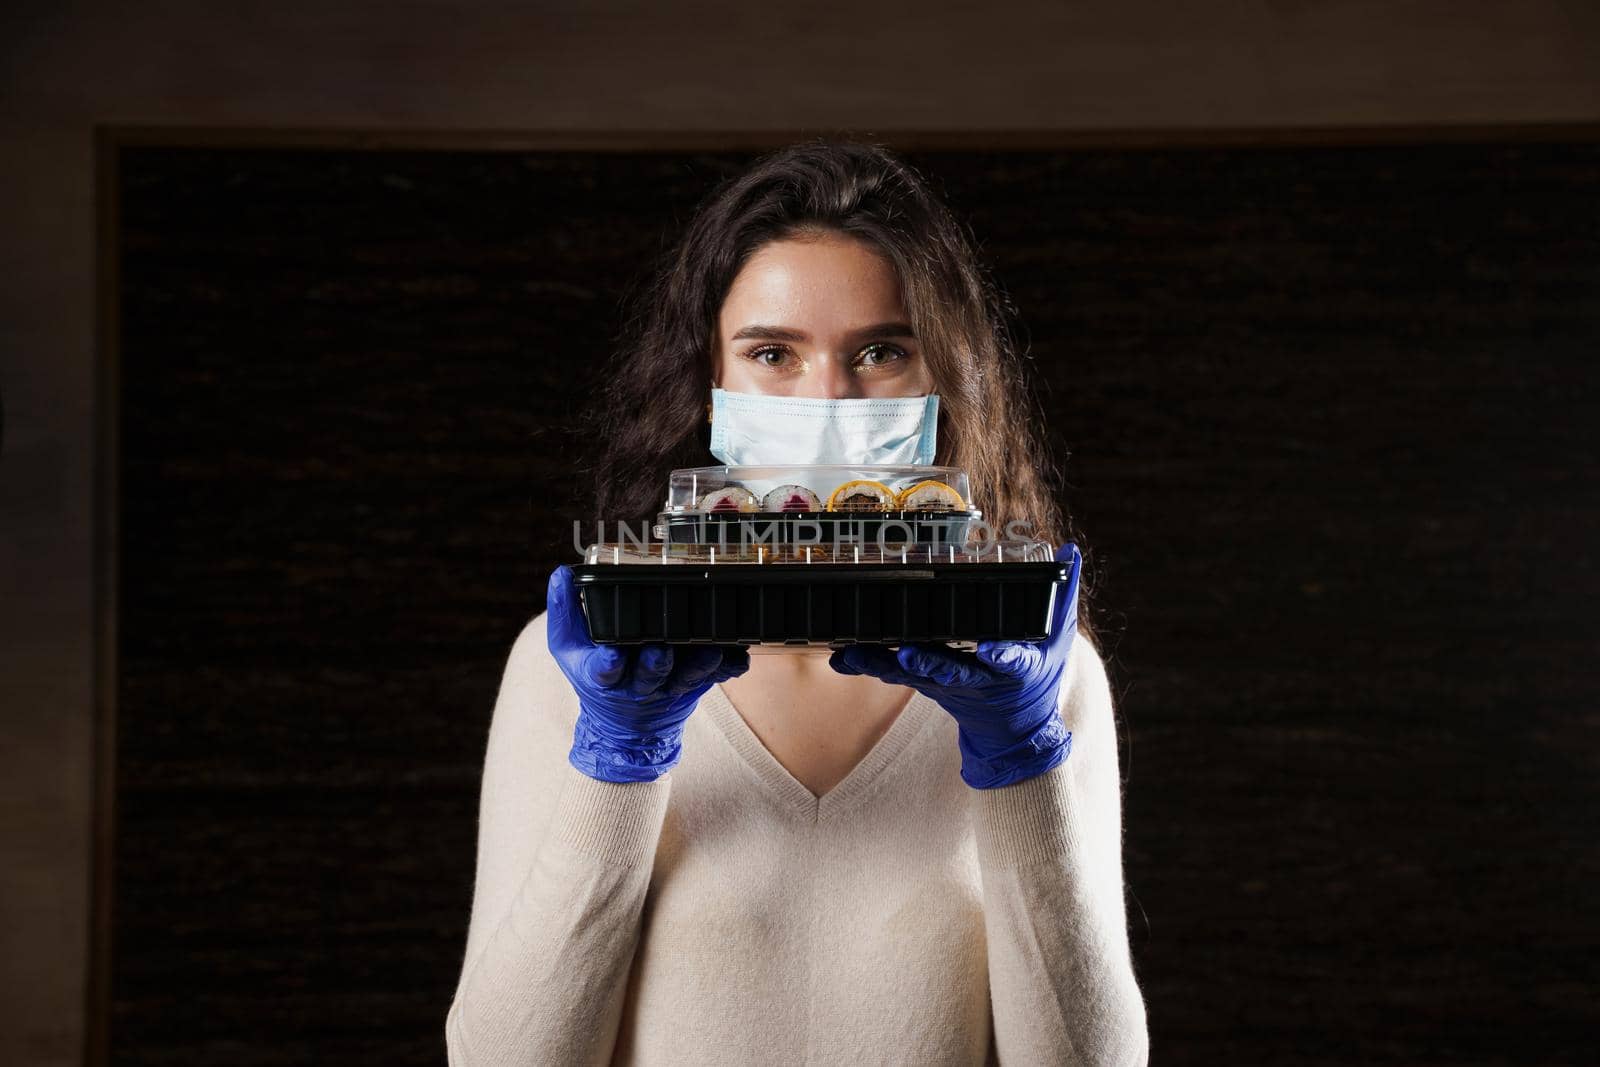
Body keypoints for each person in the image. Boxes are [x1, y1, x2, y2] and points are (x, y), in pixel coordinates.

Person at [445, 140, 1149, 1065]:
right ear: (708, 382)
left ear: (944, 376)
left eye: (881, 351)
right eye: (773, 352)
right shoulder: (575, 667)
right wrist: (614, 763)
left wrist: (1023, 760)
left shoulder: (1038, 677)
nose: (827, 398)